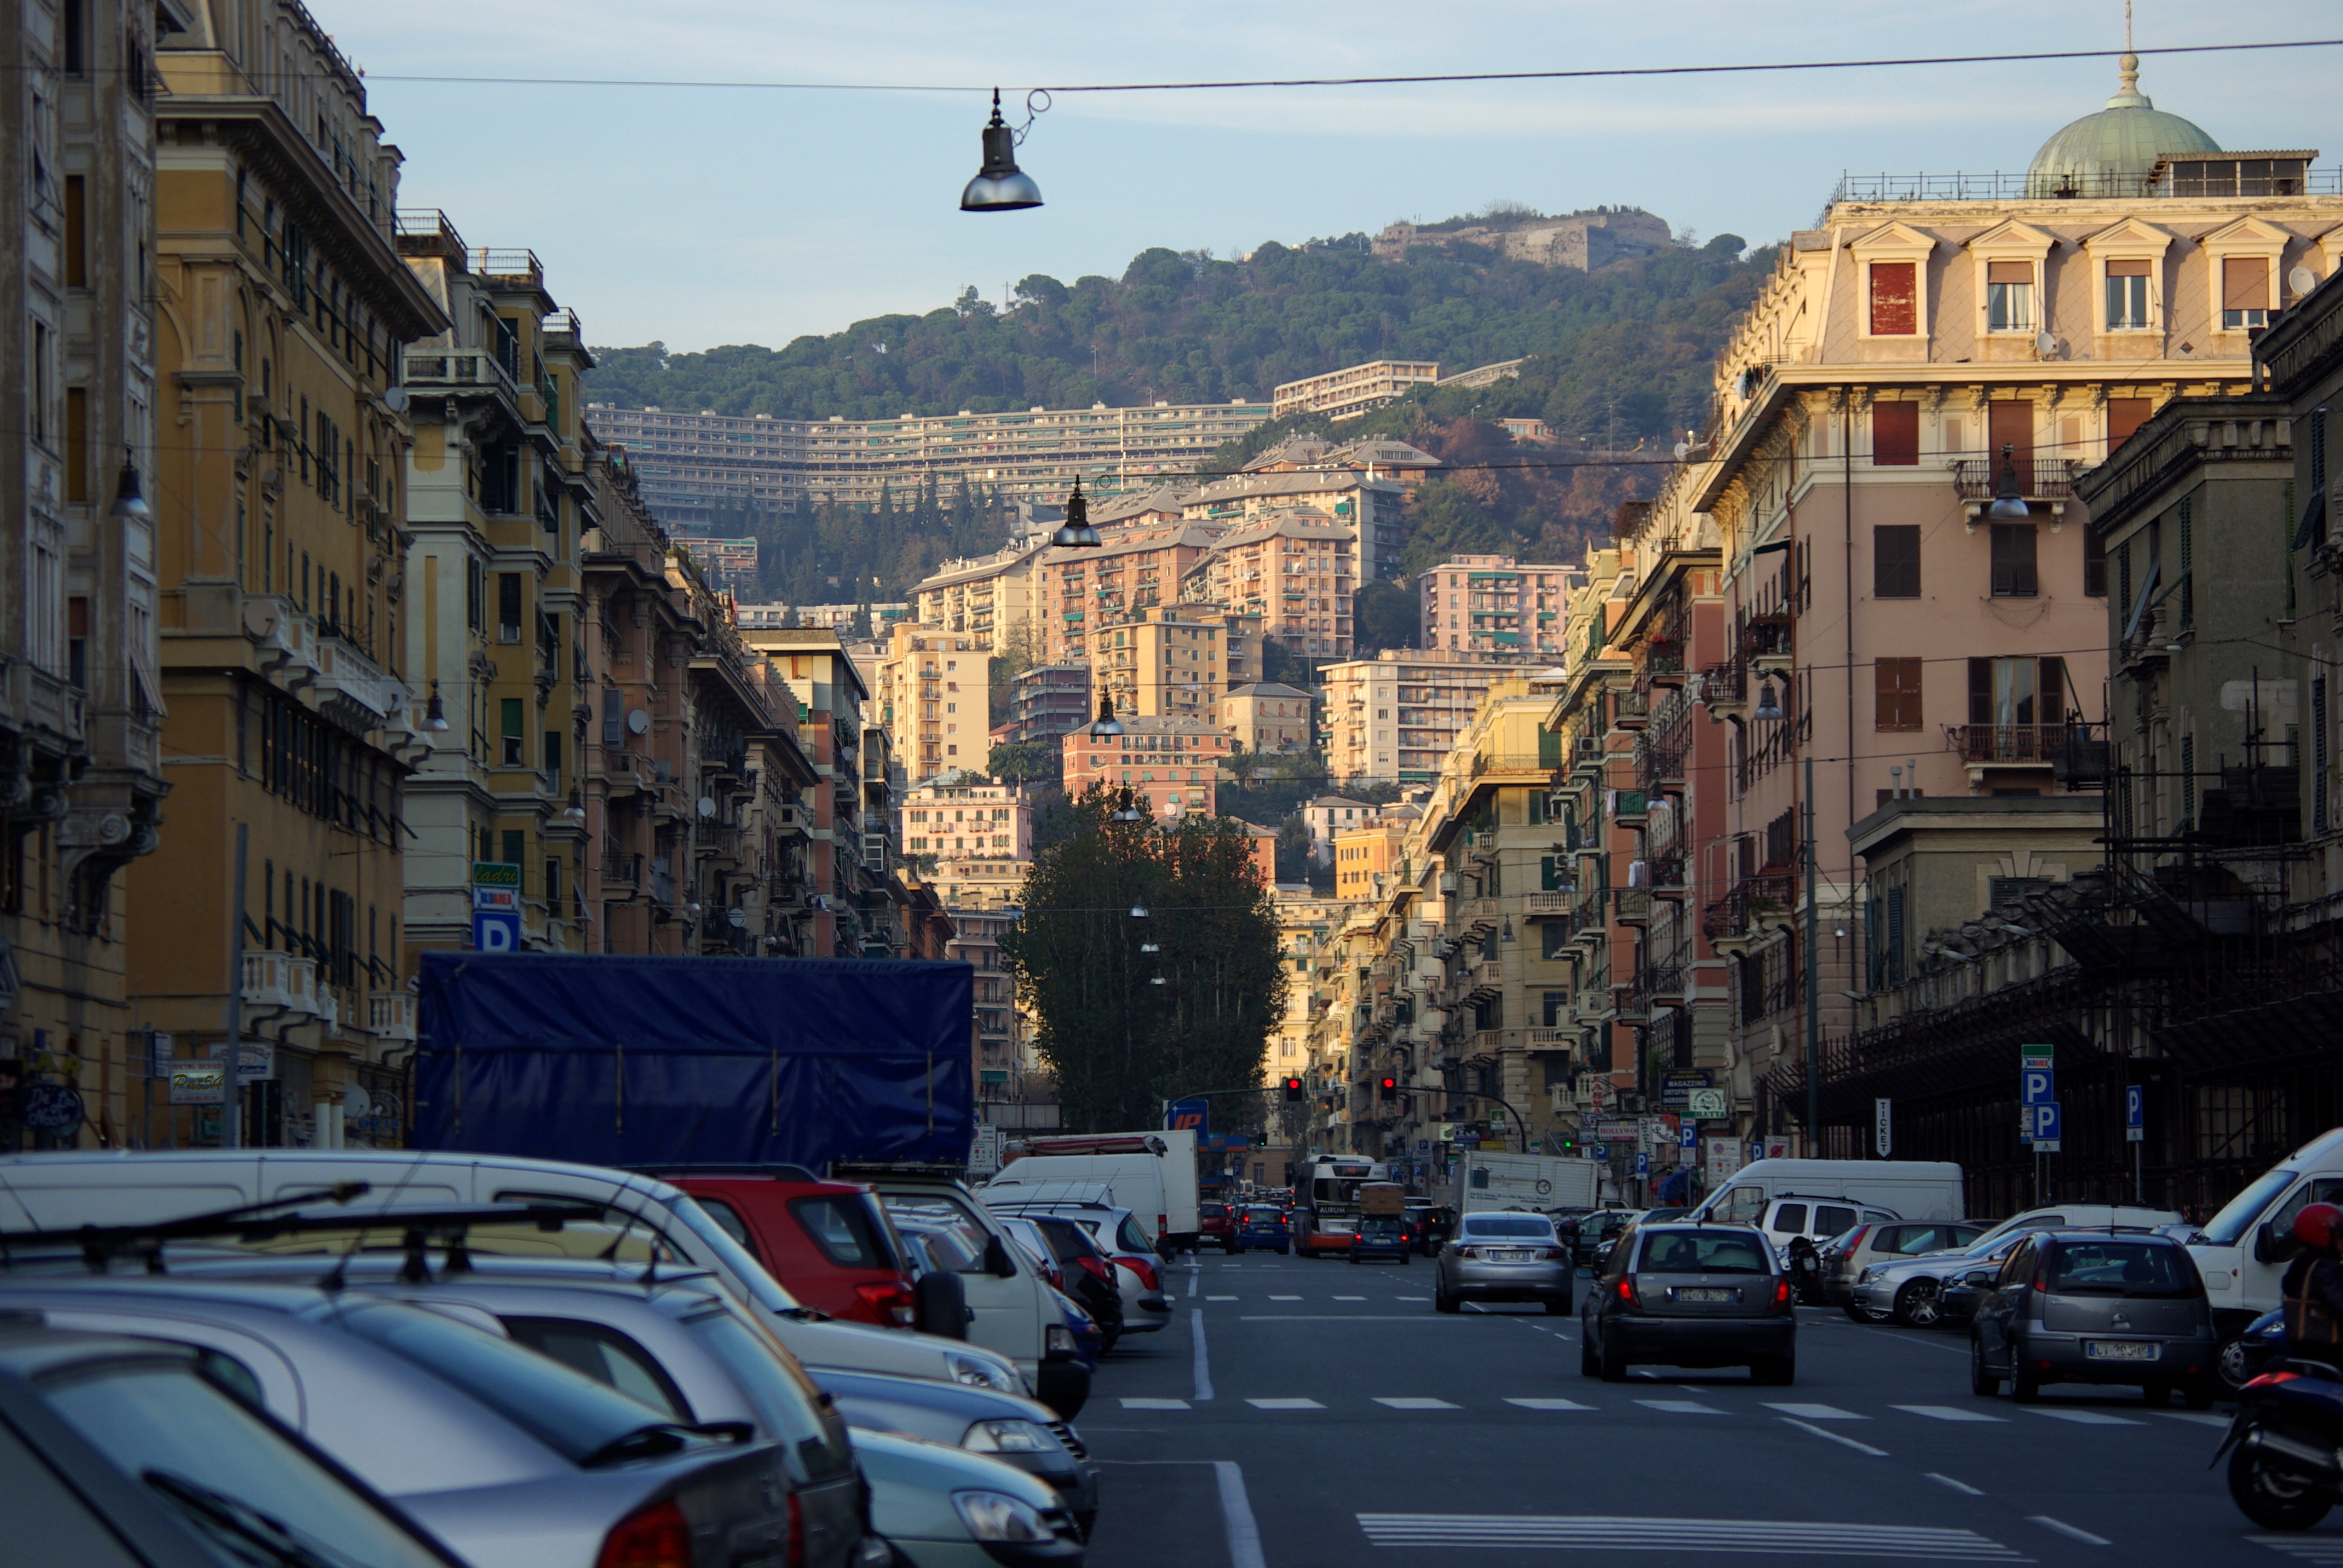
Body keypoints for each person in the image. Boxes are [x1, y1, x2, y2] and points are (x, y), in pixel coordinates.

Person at [2281, 1202, 2343, 1354]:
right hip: (2326, 1347)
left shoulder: (2304, 1261)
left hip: (2305, 1345)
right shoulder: (2324, 1266)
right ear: (2324, 1236)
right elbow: (2338, 1301)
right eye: (2341, 1237)